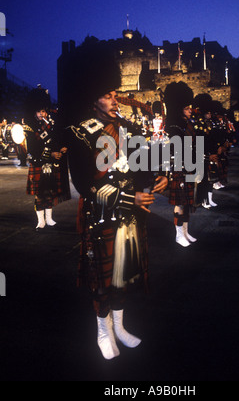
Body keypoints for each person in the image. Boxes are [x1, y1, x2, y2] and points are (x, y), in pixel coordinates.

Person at [63, 43, 168, 360]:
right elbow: (83, 186)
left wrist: (155, 179)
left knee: (124, 274)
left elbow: (140, 166)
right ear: (91, 97)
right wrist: (129, 195)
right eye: (106, 95)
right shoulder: (79, 133)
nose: (113, 100)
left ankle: (120, 327)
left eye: (114, 93)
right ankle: (102, 331)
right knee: (102, 277)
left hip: (131, 216)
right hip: (102, 214)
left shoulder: (126, 128)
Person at [23, 87, 70, 230]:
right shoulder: (29, 128)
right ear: (34, 111)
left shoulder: (51, 124)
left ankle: (49, 218)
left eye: (43, 111)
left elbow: (55, 140)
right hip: (38, 163)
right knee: (39, 194)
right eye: (38, 111)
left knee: (49, 192)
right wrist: (51, 154)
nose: (41, 114)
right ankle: (40, 221)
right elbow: (33, 149)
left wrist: (61, 147)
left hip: (50, 164)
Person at [164, 82, 197, 247]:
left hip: (188, 168)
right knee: (180, 204)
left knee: (188, 203)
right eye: (186, 107)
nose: (190, 110)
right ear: (179, 109)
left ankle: (185, 232)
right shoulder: (173, 127)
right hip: (179, 169)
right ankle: (178, 235)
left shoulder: (186, 125)